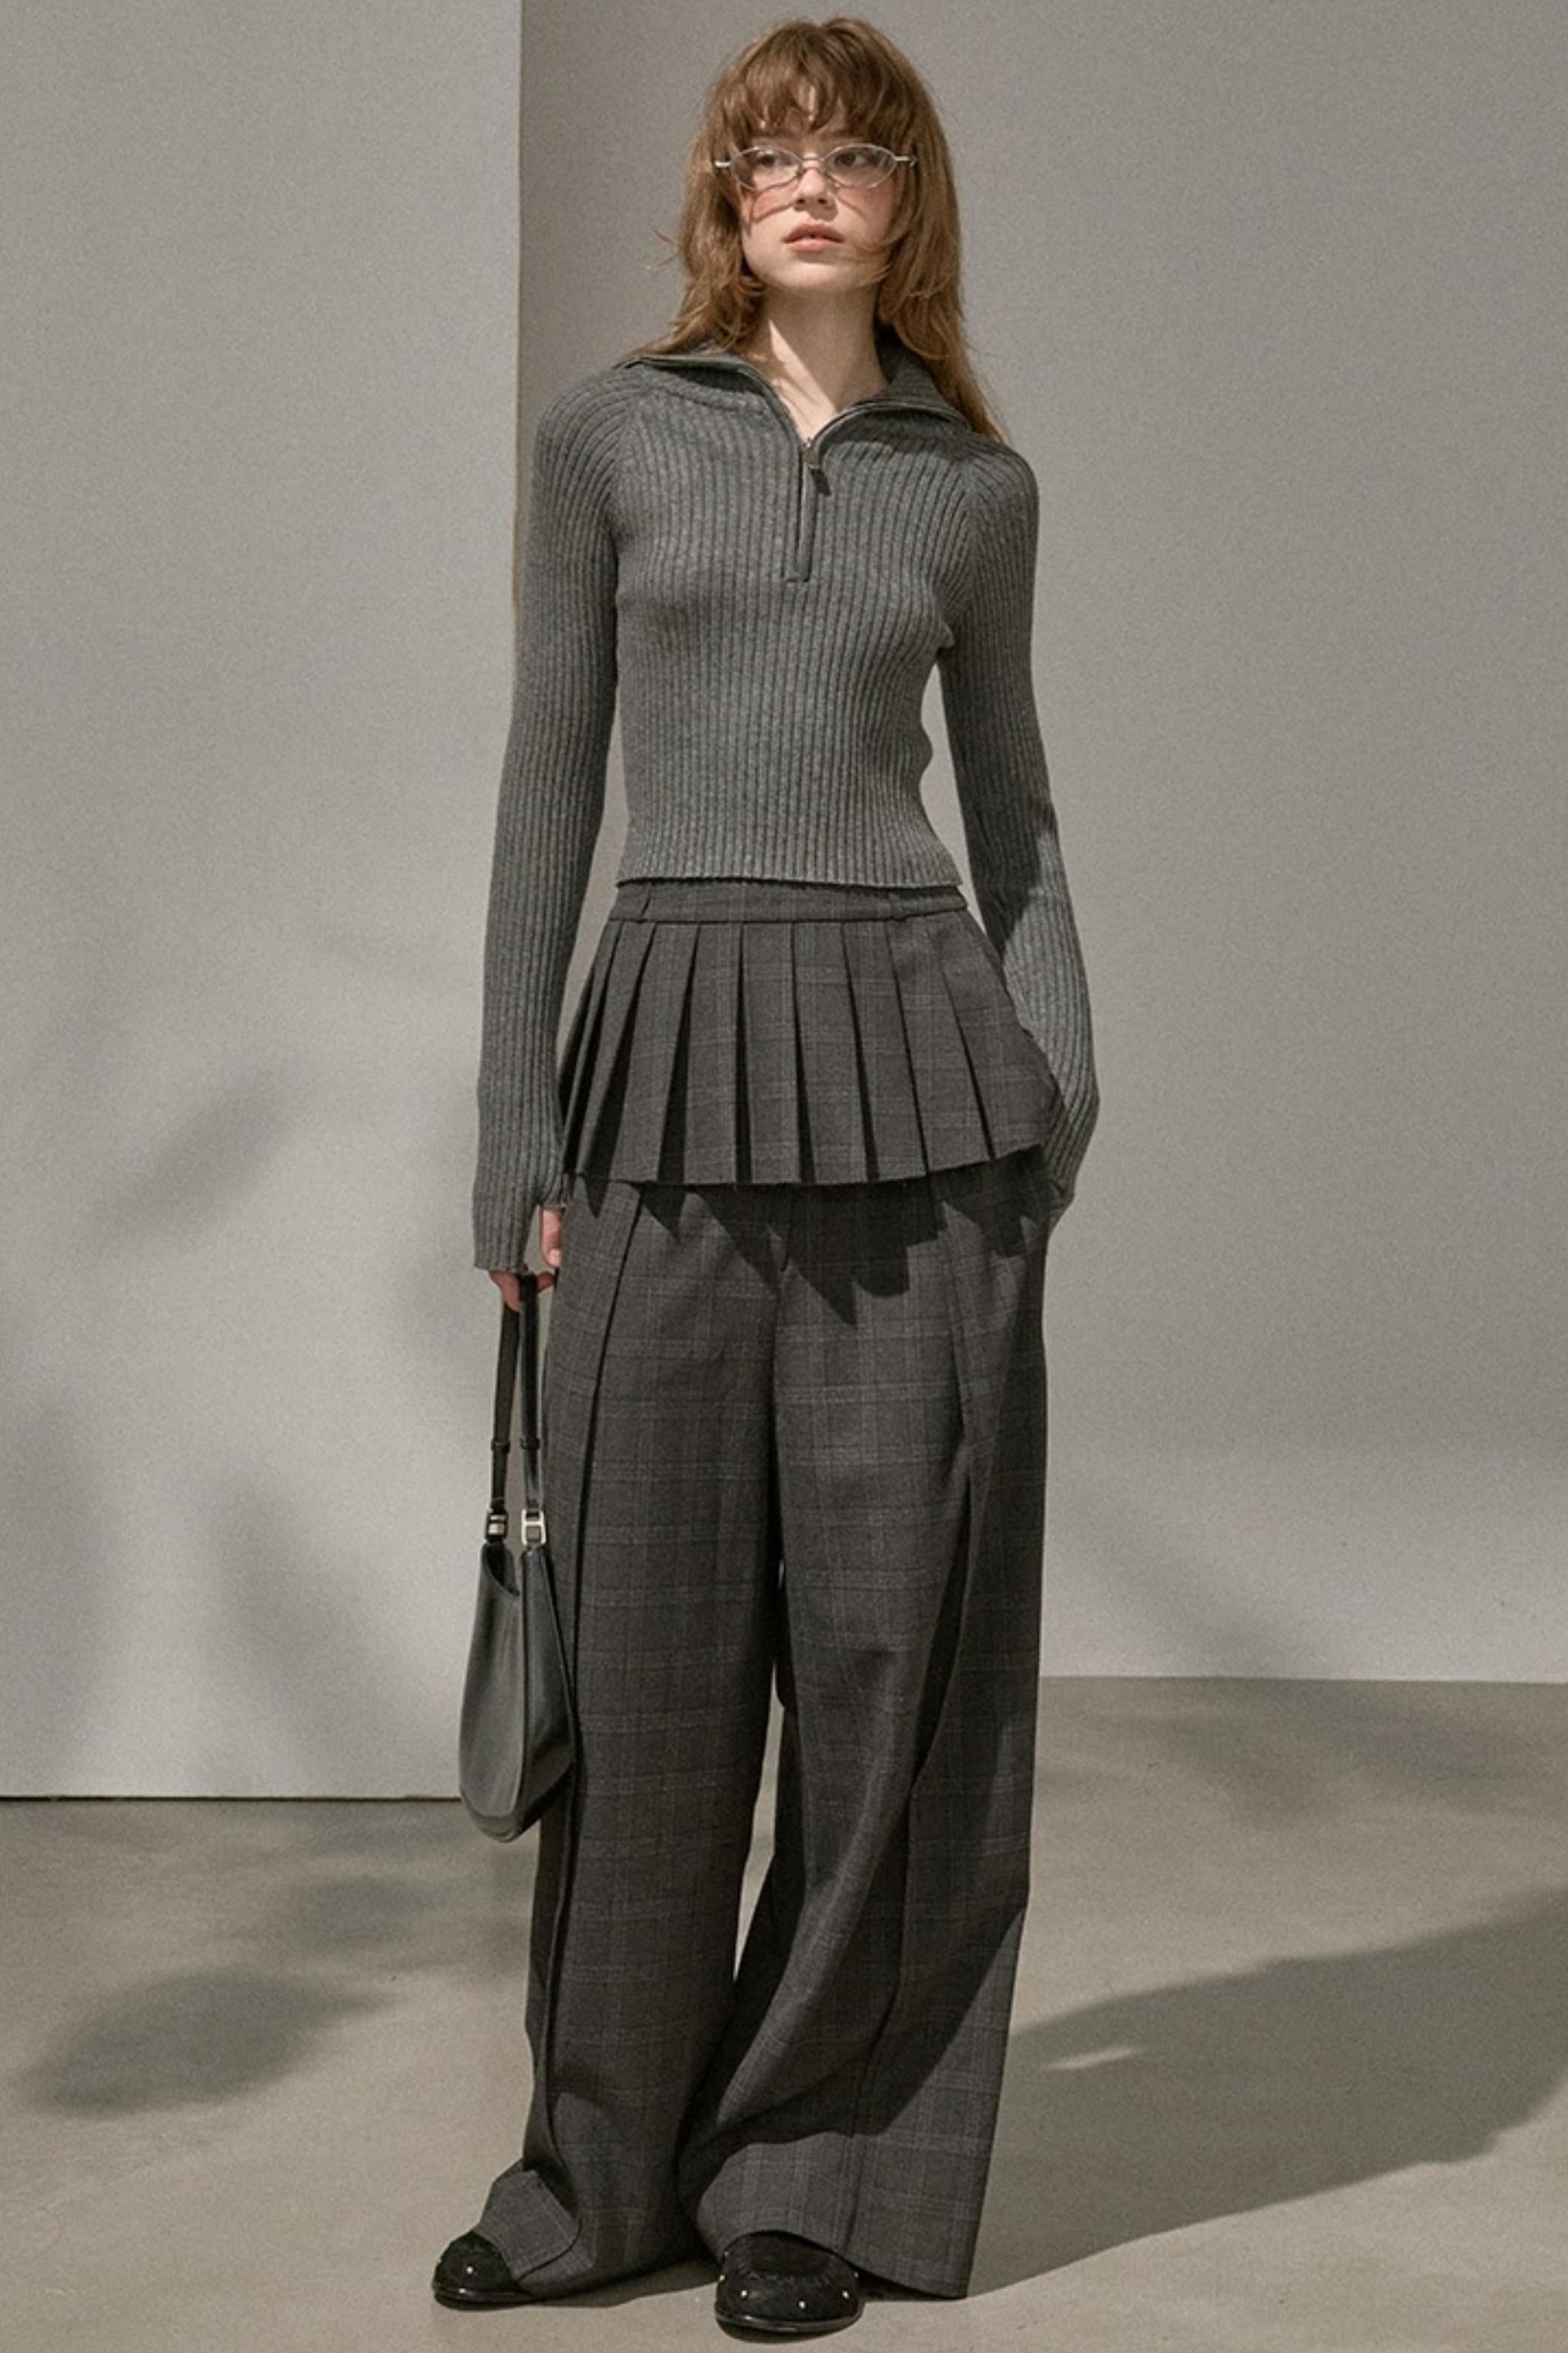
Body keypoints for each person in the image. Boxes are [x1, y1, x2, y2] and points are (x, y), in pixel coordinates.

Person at [434, 16, 1099, 2337]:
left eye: (851, 155)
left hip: (926, 1091)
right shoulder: (611, 435)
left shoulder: (974, 491)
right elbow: (549, 780)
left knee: (894, 1657)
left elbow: (1014, 814)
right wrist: (513, 1127)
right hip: (662, 1069)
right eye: (766, 156)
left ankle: (816, 2173)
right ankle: (598, 2176)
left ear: (909, 201)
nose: (805, 185)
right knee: (644, 1656)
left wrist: (1058, 1092)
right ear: (722, 199)